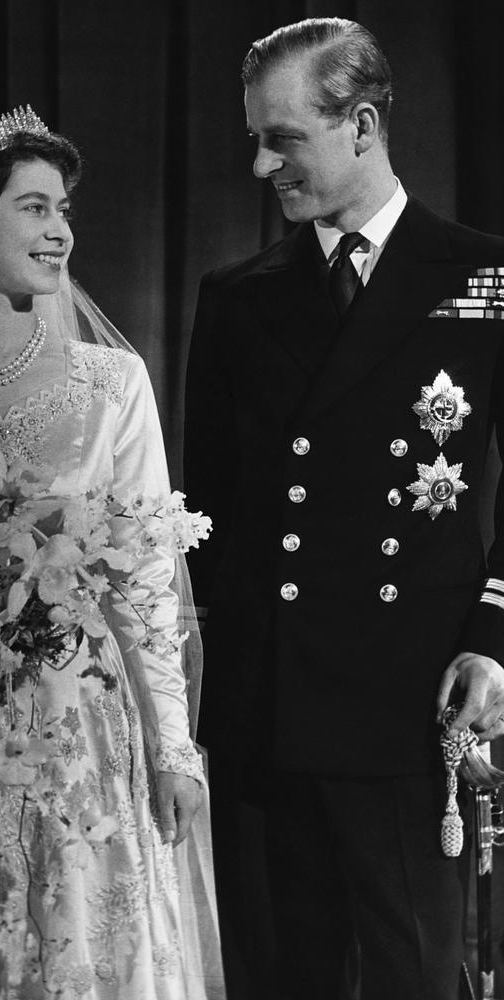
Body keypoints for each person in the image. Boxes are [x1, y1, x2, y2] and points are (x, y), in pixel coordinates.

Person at [0, 107, 224, 999]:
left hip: (77, 730)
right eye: (32, 207)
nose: (59, 230)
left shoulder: (112, 384)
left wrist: (174, 751)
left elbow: (144, 582)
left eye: (63, 209)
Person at [184, 16, 504, 1000]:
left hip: (409, 711)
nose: (258, 164)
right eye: (254, 137)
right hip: (269, 714)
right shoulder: (237, 297)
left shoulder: (482, 278)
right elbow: (212, 517)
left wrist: (492, 636)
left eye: (281, 138)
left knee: (413, 975)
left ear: (360, 125)